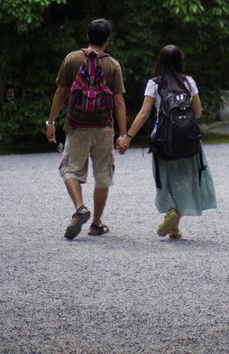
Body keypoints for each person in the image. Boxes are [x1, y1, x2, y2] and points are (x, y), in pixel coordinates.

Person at [117, 44, 216, 239]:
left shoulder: (154, 83)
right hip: (189, 140)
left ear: (160, 62)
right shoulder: (189, 82)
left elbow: (144, 113)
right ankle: (175, 225)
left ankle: (170, 212)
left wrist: (127, 137)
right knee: (186, 179)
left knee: (165, 178)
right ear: (180, 62)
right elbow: (198, 112)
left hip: (163, 139)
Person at [45, 19, 126, 239]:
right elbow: (118, 102)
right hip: (103, 127)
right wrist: (123, 134)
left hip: (76, 125)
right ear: (107, 40)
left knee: (70, 169)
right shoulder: (113, 65)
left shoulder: (72, 59)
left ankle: (80, 207)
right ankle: (96, 224)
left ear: (88, 36)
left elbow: (61, 93)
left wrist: (51, 123)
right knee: (103, 176)